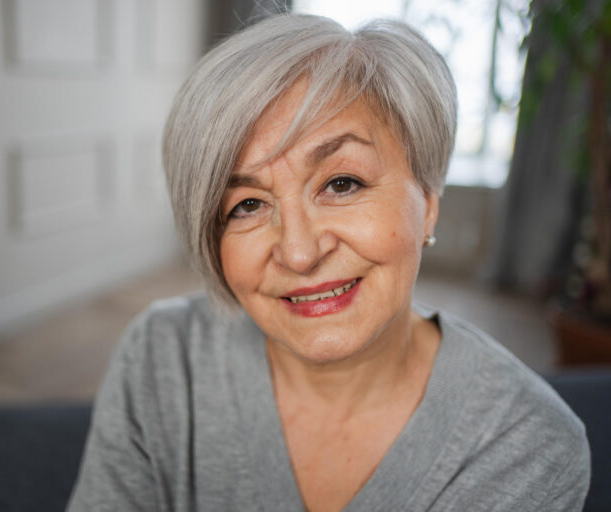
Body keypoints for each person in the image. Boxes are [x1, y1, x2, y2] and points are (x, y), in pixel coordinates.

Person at [68, 14, 590, 512]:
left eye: (343, 183)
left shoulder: (528, 444)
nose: (299, 252)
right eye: (247, 205)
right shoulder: (163, 357)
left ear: (428, 202)